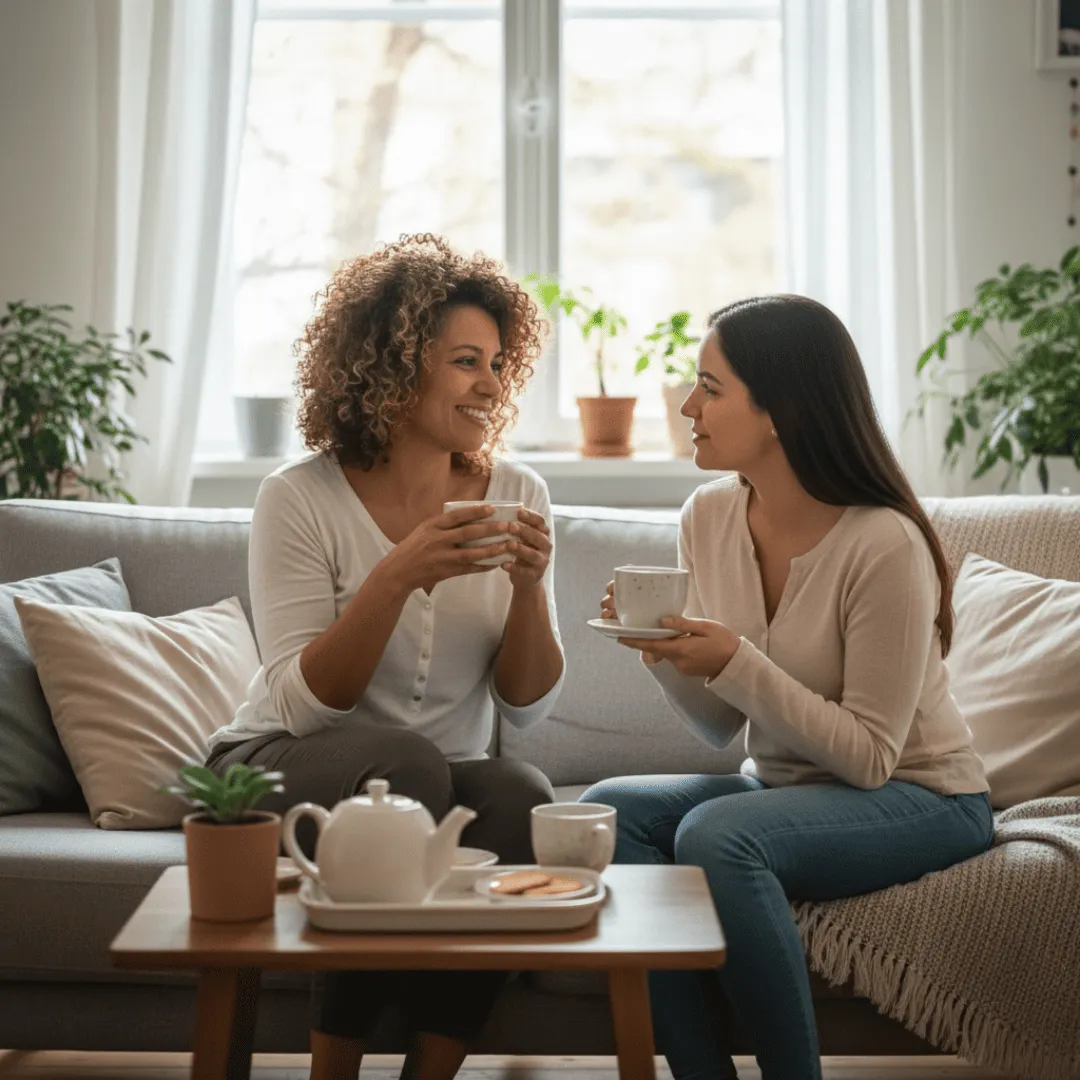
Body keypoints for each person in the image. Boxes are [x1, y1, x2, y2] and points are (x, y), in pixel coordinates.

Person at [583, 295, 993, 1080]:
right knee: (610, 807)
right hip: (785, 784)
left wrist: (736, 659)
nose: (686, 405)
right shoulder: (708, 515)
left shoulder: (882, 542)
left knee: (715, 833)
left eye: (710, 386)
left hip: (925, 797)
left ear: (780, 411)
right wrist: (664, 650)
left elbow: (870, 758)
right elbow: (720, 729)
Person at [205, 234, 565, 1080]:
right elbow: (301, 702)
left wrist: (528, 589)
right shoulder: (298, 497)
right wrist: (397, 574)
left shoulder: (518, 492)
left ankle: (427, 1075)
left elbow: (526, 706)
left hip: (437, 770)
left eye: (498, 362)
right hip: (281, 755)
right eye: (465, 361)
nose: (490, 383)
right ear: (393, 365)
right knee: (404, 768)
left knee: (518, 790)